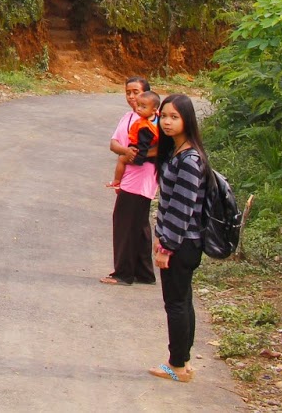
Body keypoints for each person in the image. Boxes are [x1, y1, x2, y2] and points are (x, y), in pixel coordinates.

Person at [150, 94, 207, 384]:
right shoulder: (176, 152)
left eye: (174, 117)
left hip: (181, 243)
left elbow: (182, 207)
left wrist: (166, 246)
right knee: (183, 301)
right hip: (181, 241)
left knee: (176, 303)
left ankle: (178, 366)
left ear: (187, 120)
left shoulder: (189, 159)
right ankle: (183, 361)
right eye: (164, 116)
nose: (167, 122)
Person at [101, 76, 158, 286]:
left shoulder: (154, 120)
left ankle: (123, 273)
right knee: (140, 223)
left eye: (137, 92)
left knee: (124, 221)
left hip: (142, 176)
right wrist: (126, 151)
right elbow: (113, 143)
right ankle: (144, 273)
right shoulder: (128, 117)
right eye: (128, 92)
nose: (132, 97)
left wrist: (136, 155)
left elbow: (162, 148)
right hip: (130, 175)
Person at [109, 90, 159, 188]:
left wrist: (136, 155)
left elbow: (143, 144)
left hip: (140, 153)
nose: (139, 109)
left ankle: (116, 181)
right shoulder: (156, 119)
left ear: (153, 110)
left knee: (121, 159)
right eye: (139, 105)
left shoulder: (144, 127)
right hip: (149, 153)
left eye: (143, 107)